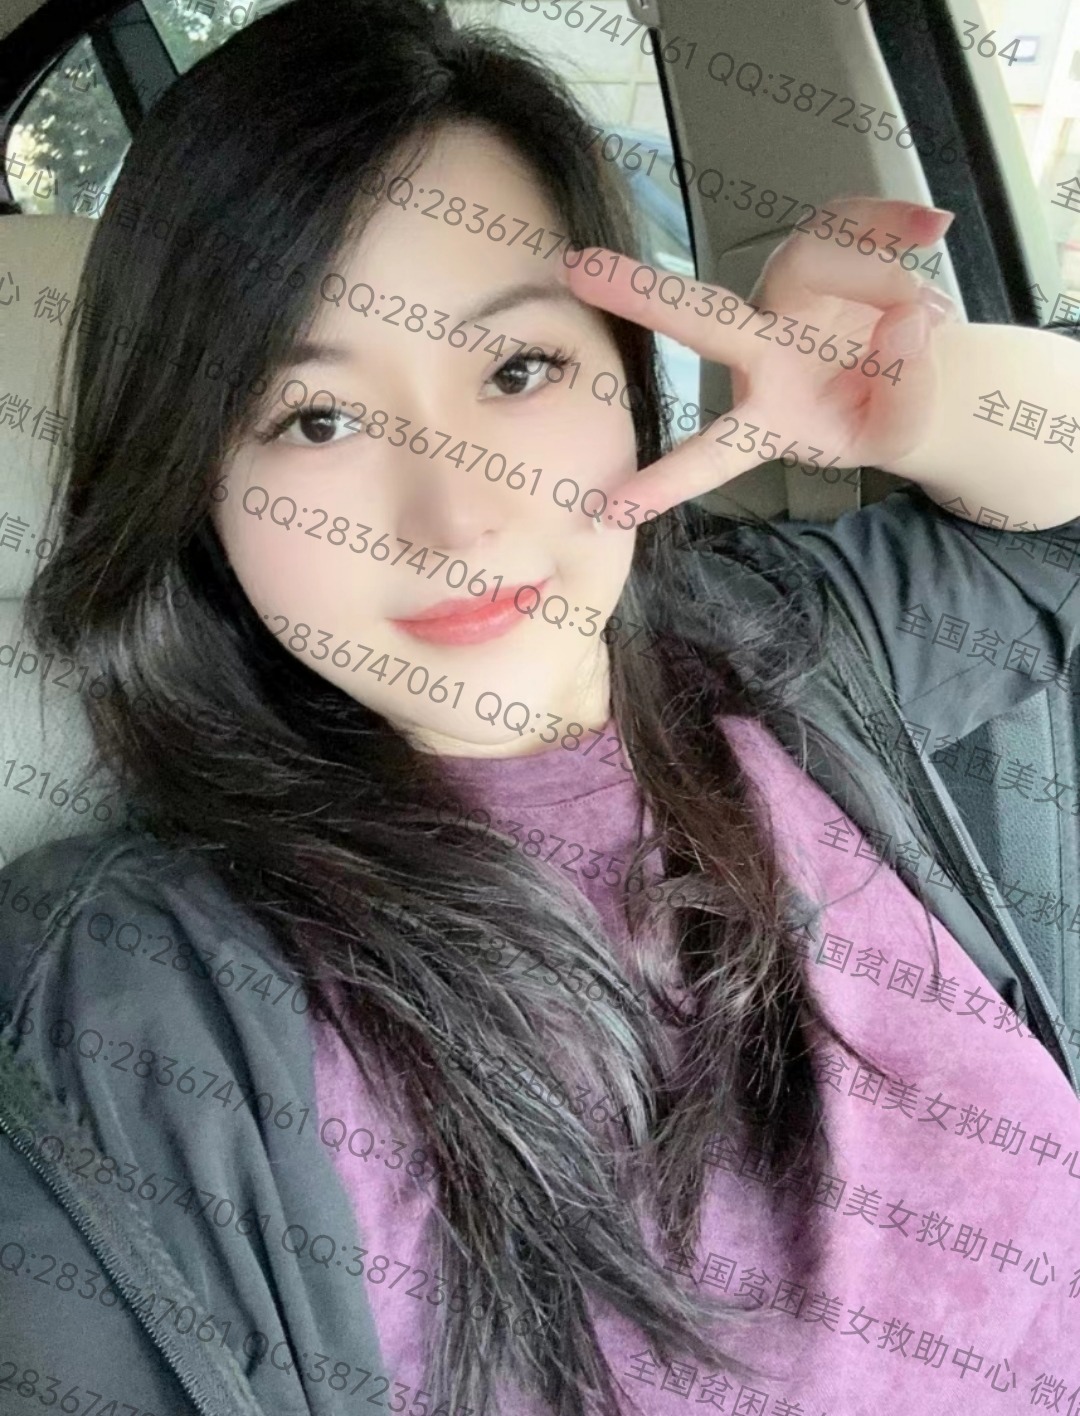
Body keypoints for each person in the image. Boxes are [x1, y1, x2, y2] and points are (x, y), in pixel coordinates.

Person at [1, 0, 1080, 1412]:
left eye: (518, 370)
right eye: (316, 420)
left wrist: (925, 411)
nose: (457, 522)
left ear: (628, 380)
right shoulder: (131, 1002)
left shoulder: (779, 640)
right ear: (193, 480)